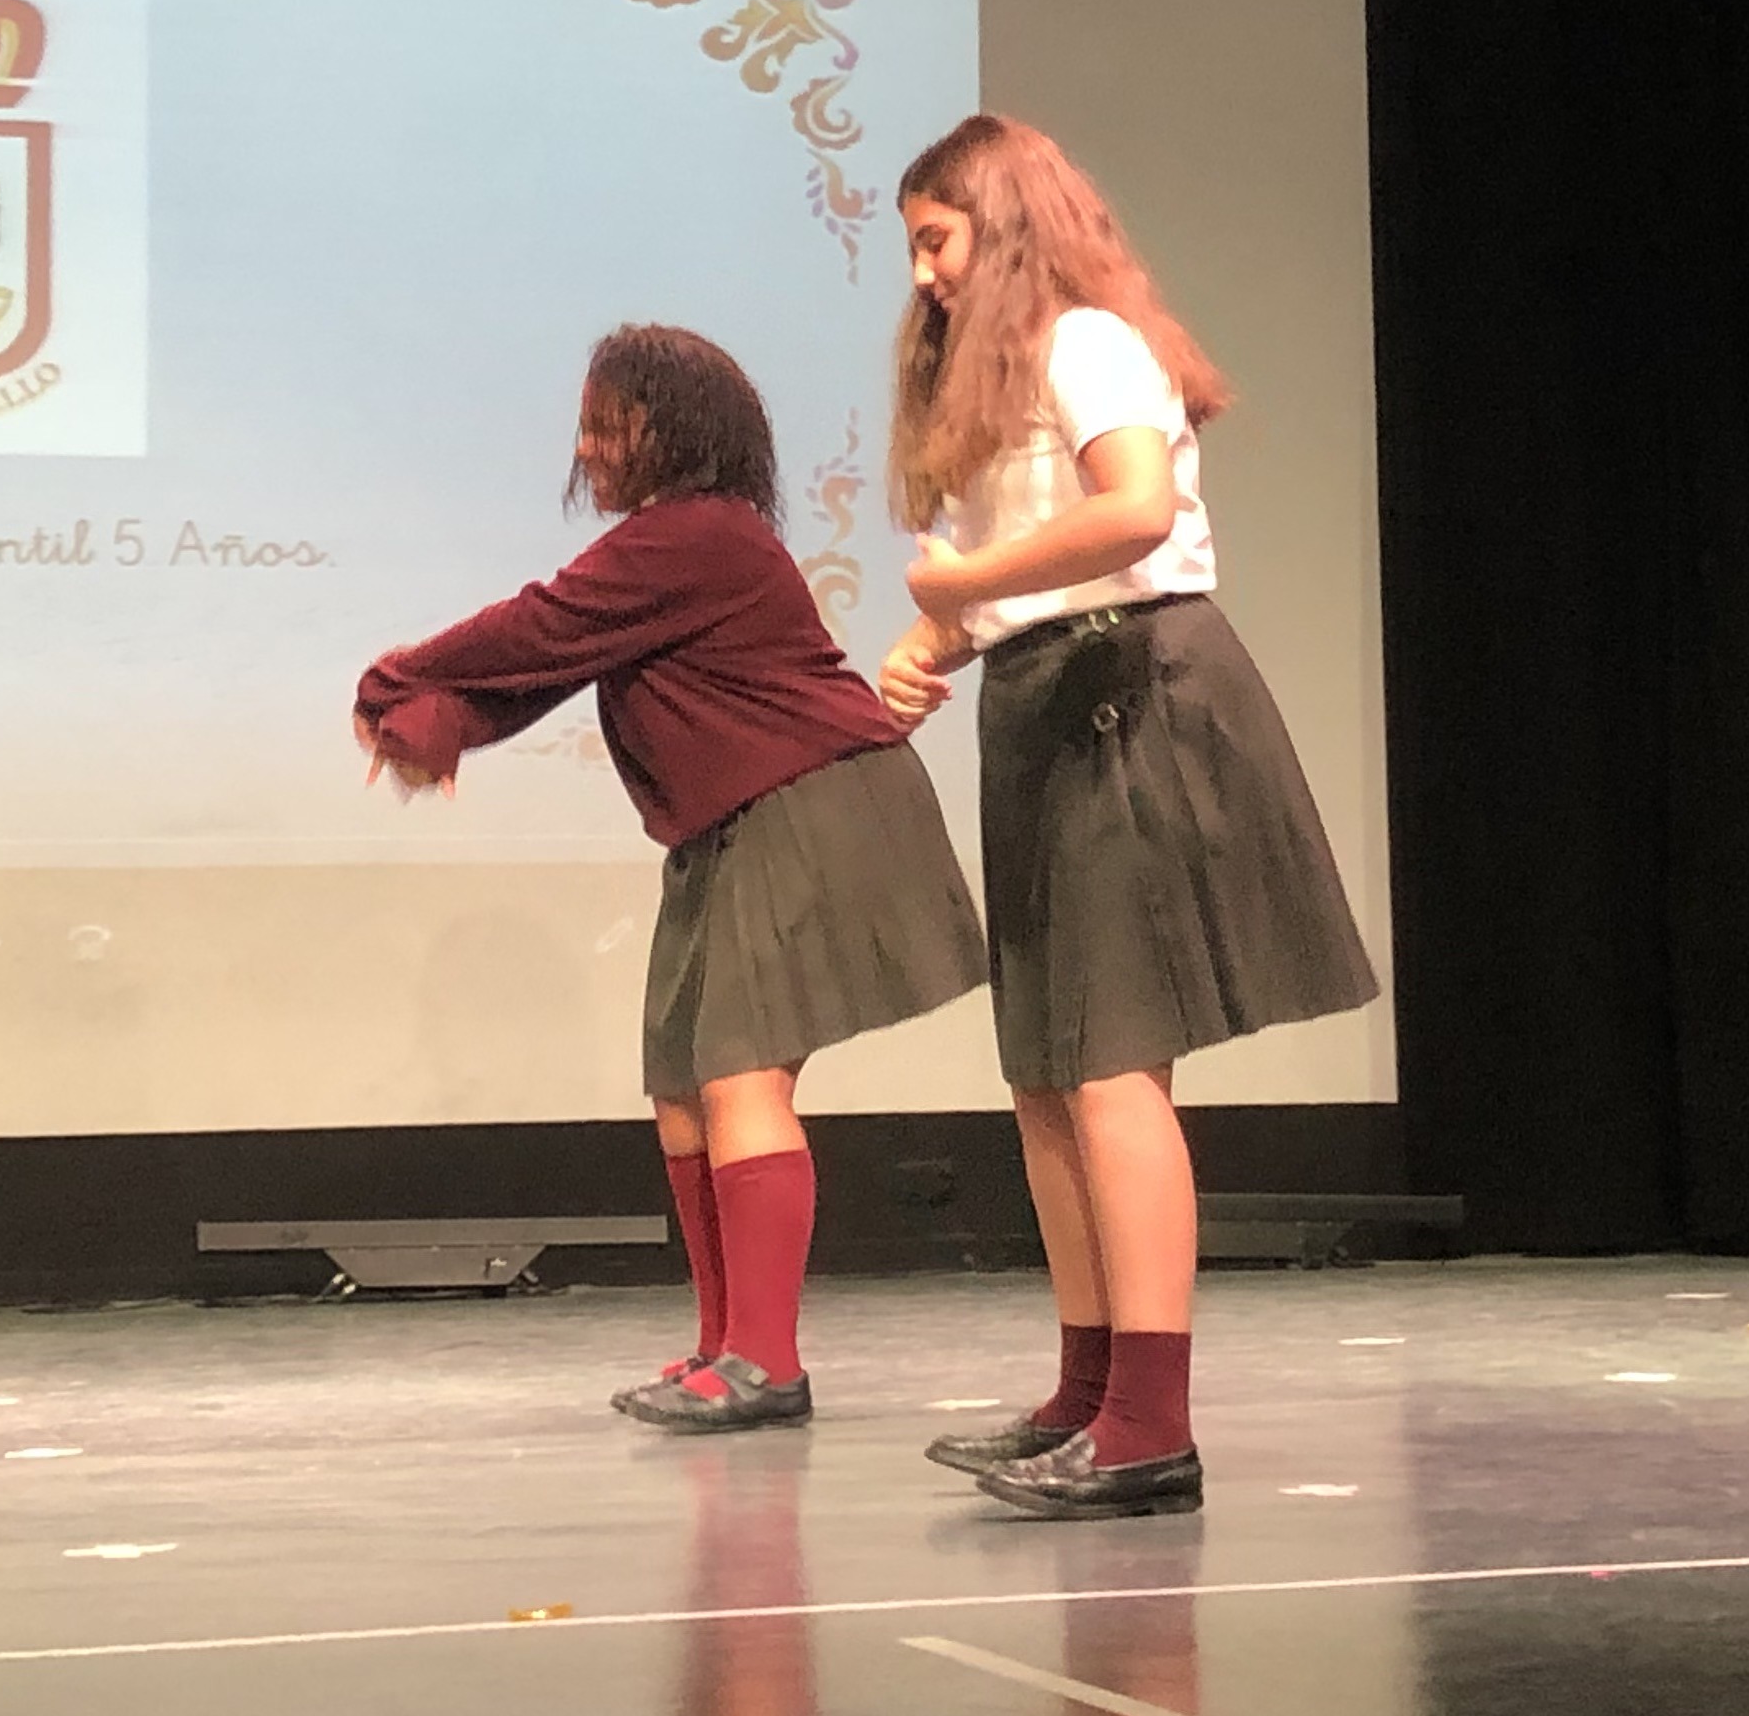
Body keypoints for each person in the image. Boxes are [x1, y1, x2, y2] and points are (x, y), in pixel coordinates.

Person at [878, 113, 1379, 1519]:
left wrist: (960, 588)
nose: (923, 274)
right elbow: (1021, 568)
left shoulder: (1088, 339)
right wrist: (939, 638)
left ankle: (1150, 1425)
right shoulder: (1000, 376)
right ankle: (1089, 1390)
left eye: (937, 240)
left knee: (1110, 1065)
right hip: (1048, 692)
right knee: (1046, 1069)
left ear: (1003, 223)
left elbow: (1137, 514)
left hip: (1130, 689)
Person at [356, 324, 985, 1429]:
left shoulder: (699, 535)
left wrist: (390, 683)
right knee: (684, 1085)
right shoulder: (676, 548)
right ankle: (722, 1345)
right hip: (735, 823)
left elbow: (537, 627)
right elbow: (552, 665)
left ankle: (765, 1363)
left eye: (606, 426)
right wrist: (433, 725)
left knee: (739, 1075)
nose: (585, 449)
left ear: (671, 431)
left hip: (809, 804)